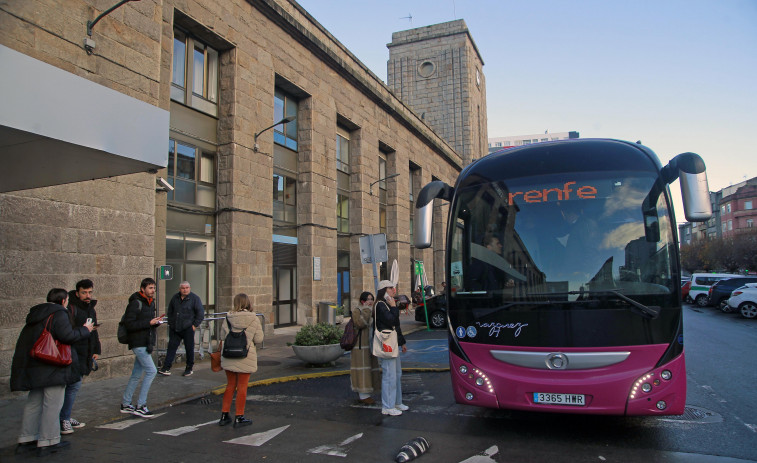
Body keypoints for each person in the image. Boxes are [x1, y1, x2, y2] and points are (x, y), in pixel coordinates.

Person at [11, 288, 93, 457]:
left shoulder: (36, 314)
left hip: (35, 365)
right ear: (63, 301)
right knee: (52, 404)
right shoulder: (59, 314)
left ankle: (26, 439)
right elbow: (67, 336)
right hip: (52, 366)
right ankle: (49, 441)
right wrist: (85, 329)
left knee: (34, 403)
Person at [60, 279, 102, 435]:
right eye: (84, 292)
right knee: (73, 385)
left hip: (86, 351)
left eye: (90, 292)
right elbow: (68, 331)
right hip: (73, 351)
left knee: (74, 386)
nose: (87, 295)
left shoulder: (91, 308)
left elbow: (94, 329)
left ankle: (65, 415)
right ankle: (64, 418)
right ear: (77, 293)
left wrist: (96, 349)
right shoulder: (71, 308)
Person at [218, 293, 264, 428]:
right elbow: (259, 339)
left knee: (230, 385)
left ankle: (224, 415)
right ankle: (239, 416)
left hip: (228, 355)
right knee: (242, 388)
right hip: (245, 356)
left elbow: (222, 336)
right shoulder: (254, 319)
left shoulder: (228, 317)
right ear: (247, 303)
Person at [120, 277, 163, 418]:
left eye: (154, 288)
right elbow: (130, 324)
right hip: (138, 343)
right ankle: (141, 405)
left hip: (146, 342)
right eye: (150, 288)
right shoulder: (135, 303)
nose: (153, 291)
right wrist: (148, 322)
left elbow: (147, 323)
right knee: (152, 371)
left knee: (136, 374)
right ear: (143, 288)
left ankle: (126, 403)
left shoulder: (150, 303)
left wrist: (155, 323)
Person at [375, 280, 408, 416]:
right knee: (389, 374)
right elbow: (392, 321)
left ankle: (396, 401)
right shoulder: (381, 305)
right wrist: (394, 307)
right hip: (386, 342)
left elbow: (396, 326)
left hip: (392, 341)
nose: (393, 290)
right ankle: (387, 405)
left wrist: (402, 342)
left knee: (397, 373)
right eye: (390, 288)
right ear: (384, 290)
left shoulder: (386, 304)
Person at [158, 281, 205, 377]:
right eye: (183, 288)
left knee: (189, 348)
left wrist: (194, 325)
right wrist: (171, 323)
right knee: (171, 347)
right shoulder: (175, 298)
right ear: (180, 289)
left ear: (190, 288)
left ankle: (189, 368)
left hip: (188, 328)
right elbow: (170, 311)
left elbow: (200, 313)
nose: (185, 289)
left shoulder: (195, 299)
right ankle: (166, 368)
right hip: (175, 328)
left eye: (187, 287)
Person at [350, 291, 380, 404]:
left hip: (370, 344)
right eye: (368, 299)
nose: (370, 301)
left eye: (372, 299)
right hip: (360, 345)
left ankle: (367, 392)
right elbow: (360, 323)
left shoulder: (371, 310)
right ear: (363, 301)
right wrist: (367, 310)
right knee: (362, 369)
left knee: (369, 368)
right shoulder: (358, 310)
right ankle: (363, 395)